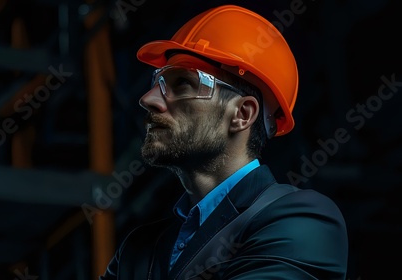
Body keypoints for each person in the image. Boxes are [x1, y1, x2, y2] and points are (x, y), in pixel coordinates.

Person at [100, 4, 348, 280]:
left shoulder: (301, 221)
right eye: (157, 82)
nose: (148, 99)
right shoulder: (137, 248)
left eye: (183, 84)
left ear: (242, 115)